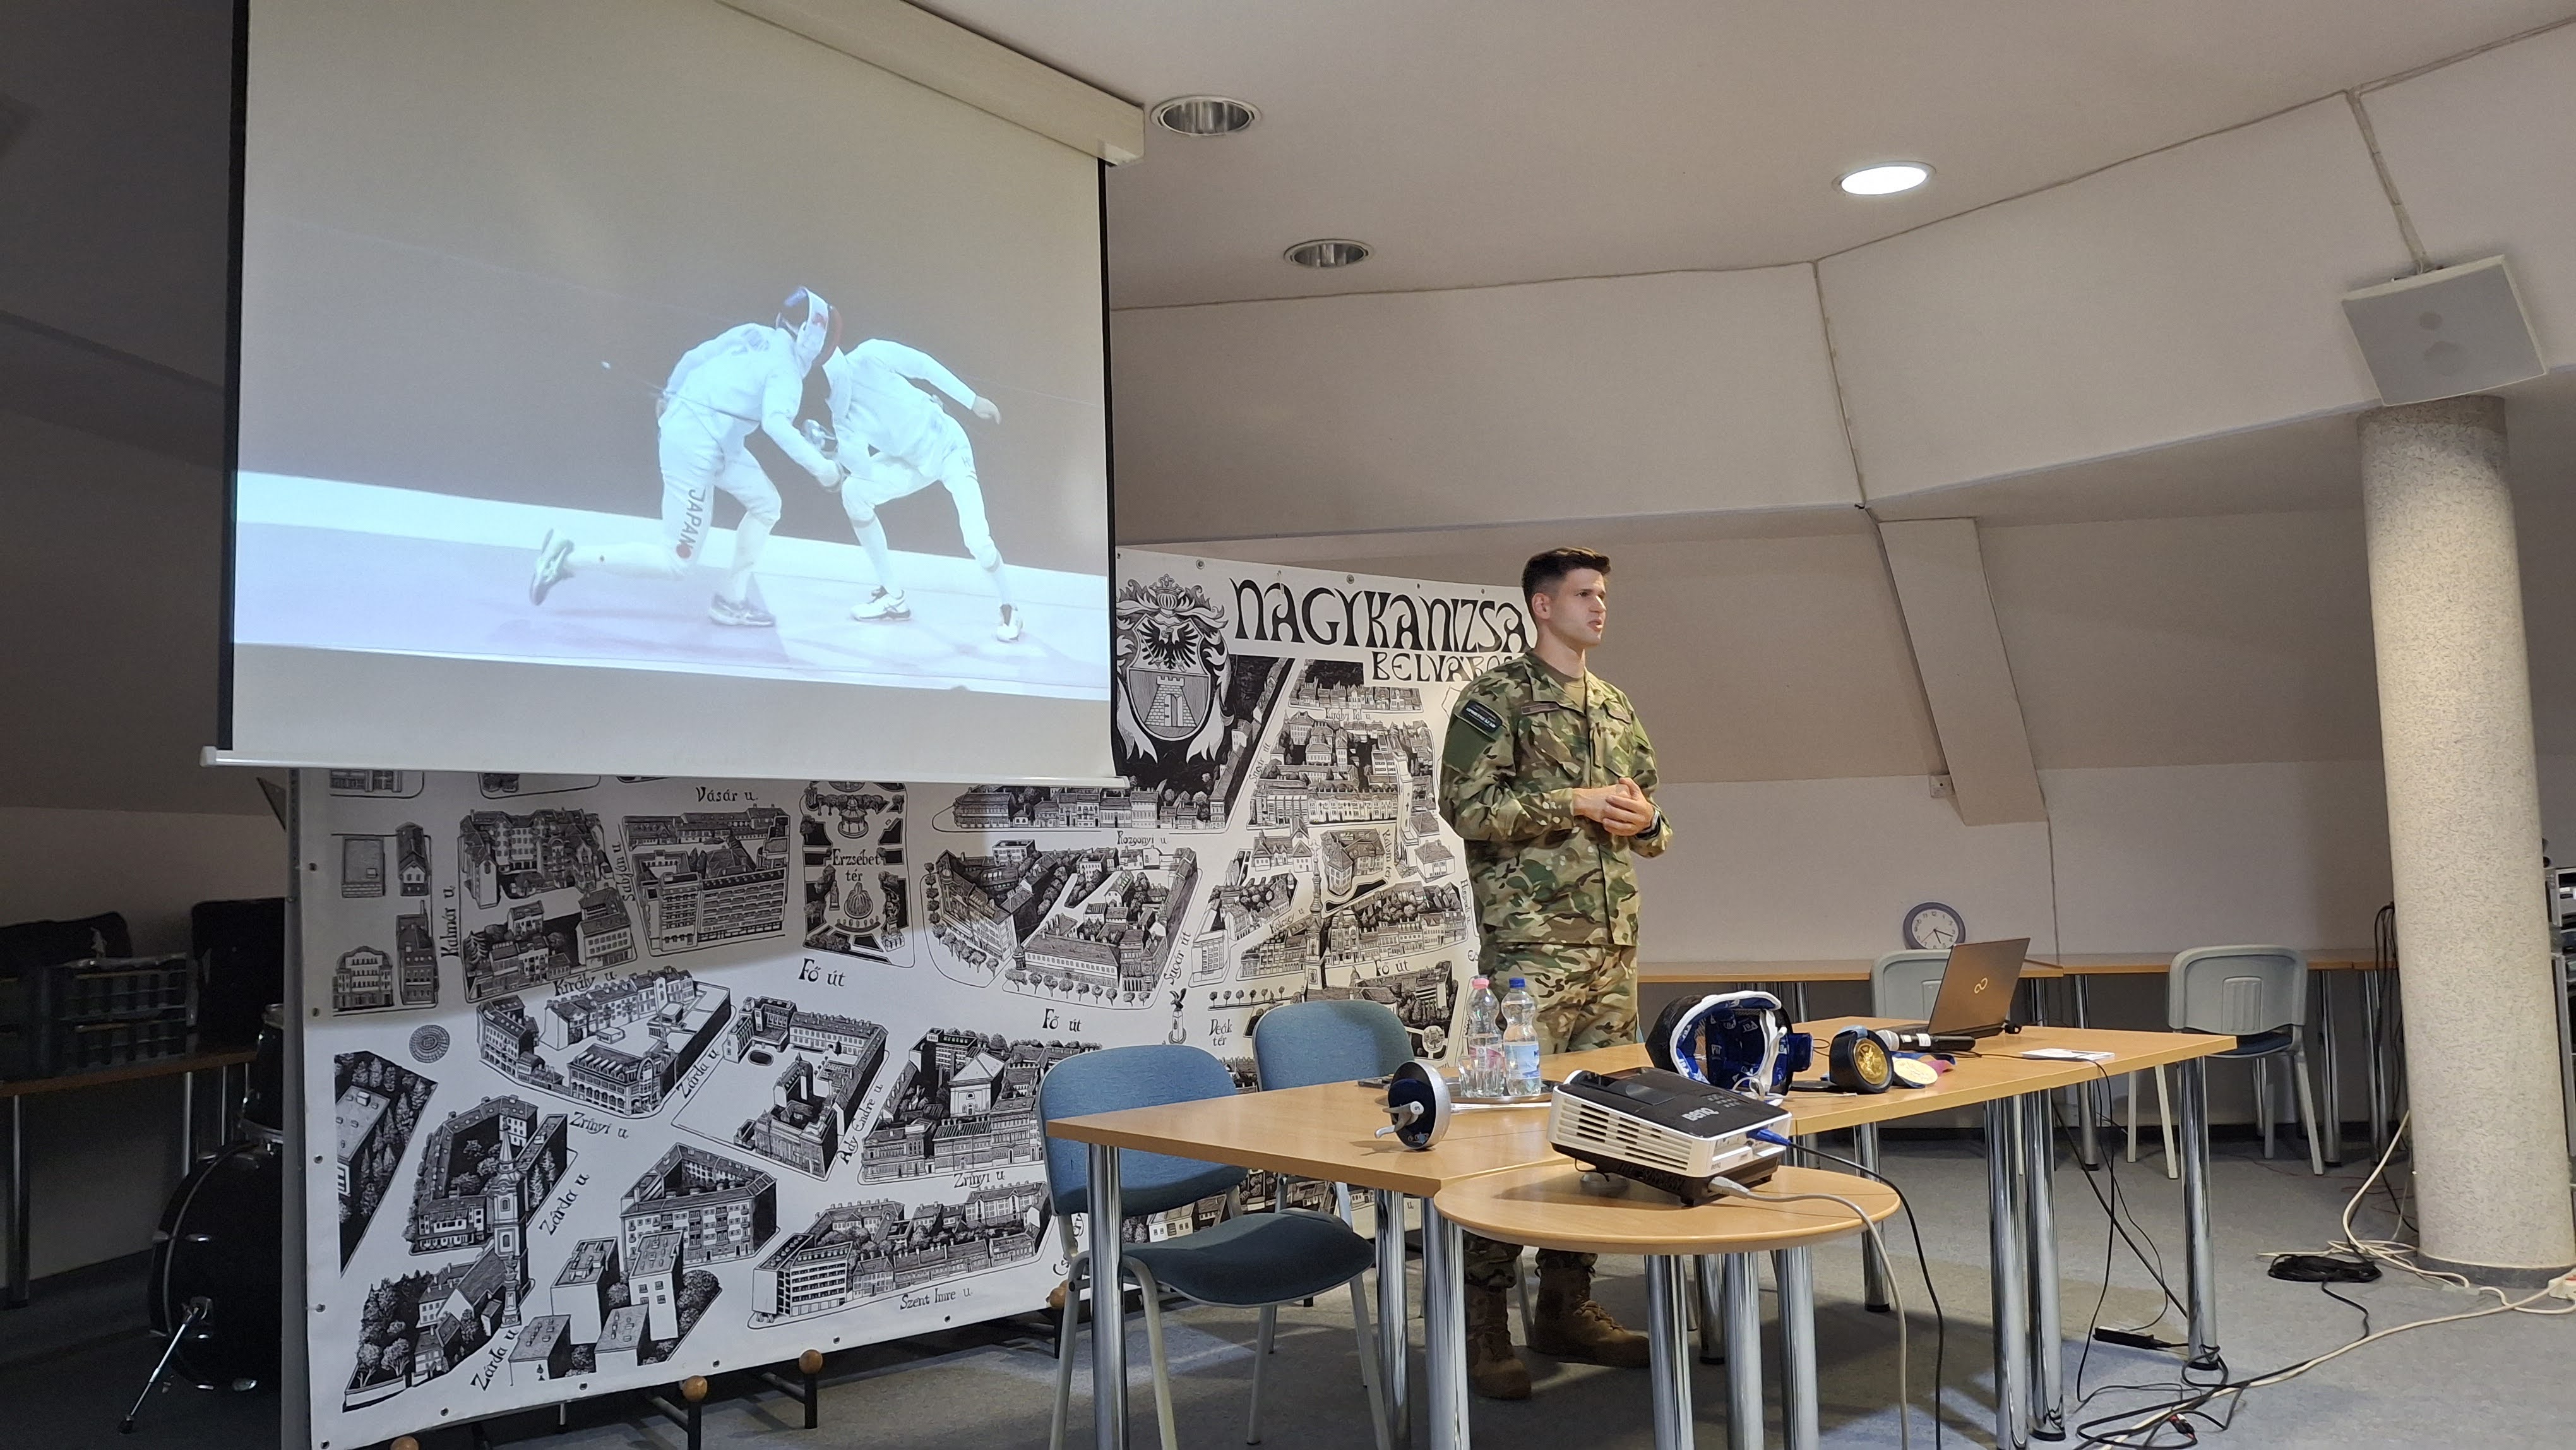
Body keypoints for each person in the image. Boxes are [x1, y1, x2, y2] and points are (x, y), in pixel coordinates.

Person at [1438, 545, 1671, 1401]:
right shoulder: (1496, 697)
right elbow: (1464, 807)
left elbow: (1652, 819)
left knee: (1601, 1133)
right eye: (1584, 594)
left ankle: (1566, 1303)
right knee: (1504, 1133)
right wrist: (1570, 800)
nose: (1600, 607)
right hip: (1528, 956)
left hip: (1611, 955)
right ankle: (1482, 1325)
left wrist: (1645, 820)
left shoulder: (1614, 703)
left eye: (1604, 594)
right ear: (1543, 606)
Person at [527, 289, 846, 627]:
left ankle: (732, 600)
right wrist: (826, 471)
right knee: (676, 561)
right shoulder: (787, 373)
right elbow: (777, 426)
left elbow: (696, 357)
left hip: (714, 442)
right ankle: (567, 559)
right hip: (695, 448)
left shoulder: (753, 333)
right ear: (811, 337)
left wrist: (671, 392)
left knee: (767, 505)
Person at [811, 337, 1021, 643]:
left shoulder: (870, 355)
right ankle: (893, 597)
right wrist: (835, 449)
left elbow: (922, 365)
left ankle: (1010, 605)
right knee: (854, 492)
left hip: (950, 449)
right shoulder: (842, 417)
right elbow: (863, 468)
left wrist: (972, 400)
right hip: (910, 463)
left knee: (977, 540)